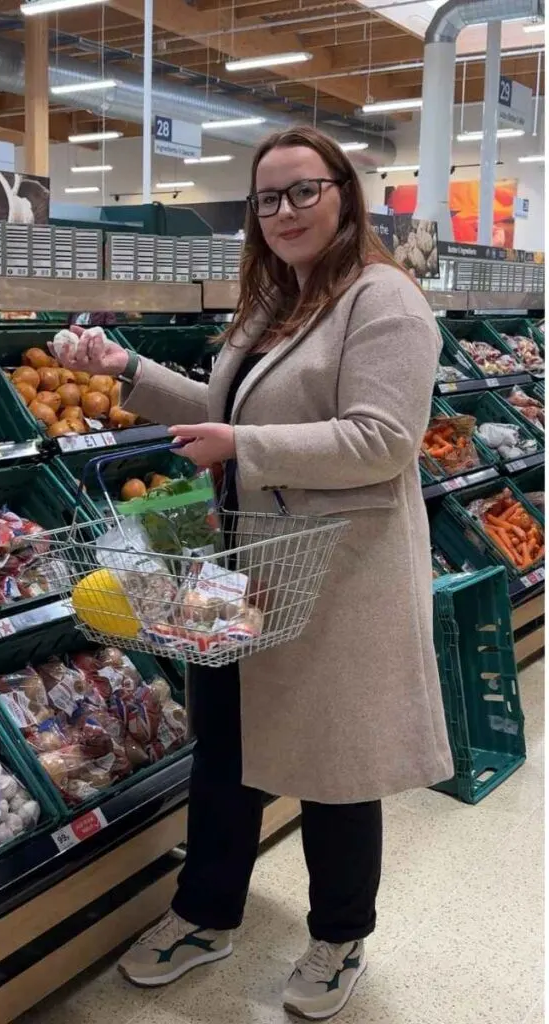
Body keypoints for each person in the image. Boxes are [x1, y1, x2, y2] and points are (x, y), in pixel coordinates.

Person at [51, 125, 453, 1021]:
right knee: (225, 751)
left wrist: (244, 446)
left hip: (340, 575)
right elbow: (226, 411)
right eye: (266, 199)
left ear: (343, 194)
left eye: (303, 192)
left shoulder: (384, 300)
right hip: (248, 573)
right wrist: (129, 370)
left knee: (335, 767)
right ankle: (206, 915)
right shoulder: (278, 302)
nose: (284, 213)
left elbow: (382, 441)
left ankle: (340, 937)